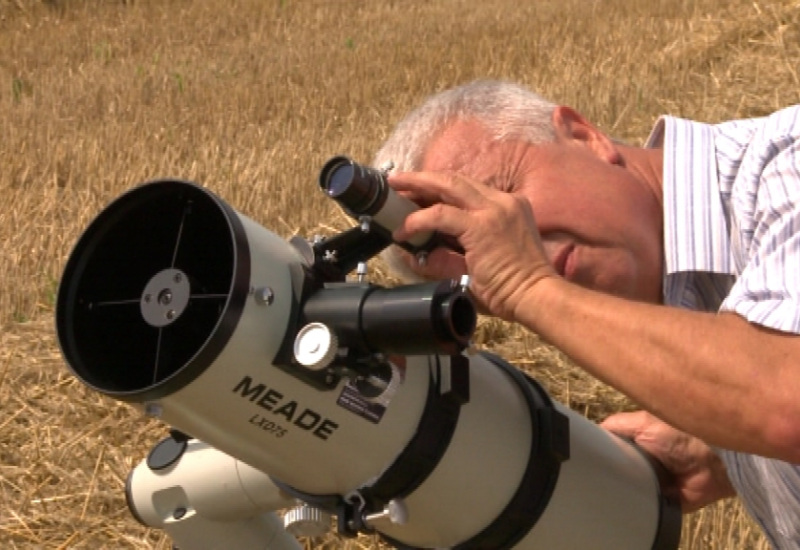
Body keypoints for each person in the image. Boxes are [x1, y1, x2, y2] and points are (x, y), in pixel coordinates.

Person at [372, 79, 800, 548]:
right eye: (463, 254)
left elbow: (788, 402)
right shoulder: (684, 296)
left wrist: (530, 286)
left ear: (583, 135)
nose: (500, 255)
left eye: (504, 195)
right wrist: (726, 451)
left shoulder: (784, 160)